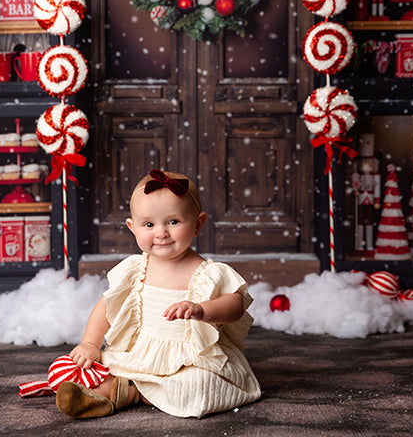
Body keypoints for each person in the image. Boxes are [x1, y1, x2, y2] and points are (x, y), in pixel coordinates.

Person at [55, 169, 261, 419]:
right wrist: (90, 343)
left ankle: (130, 392)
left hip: (188, 359)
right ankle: (114, 389)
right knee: (91, 366)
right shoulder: (134, 270)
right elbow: (106, 307)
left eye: (173, 222)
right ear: (132, 227)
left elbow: (235, 305)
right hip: (138, 352)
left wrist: (203, 310)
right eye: (149, 224)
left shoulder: (209, 272)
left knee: (198, 384)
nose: (161, 233)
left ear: (198, 223)